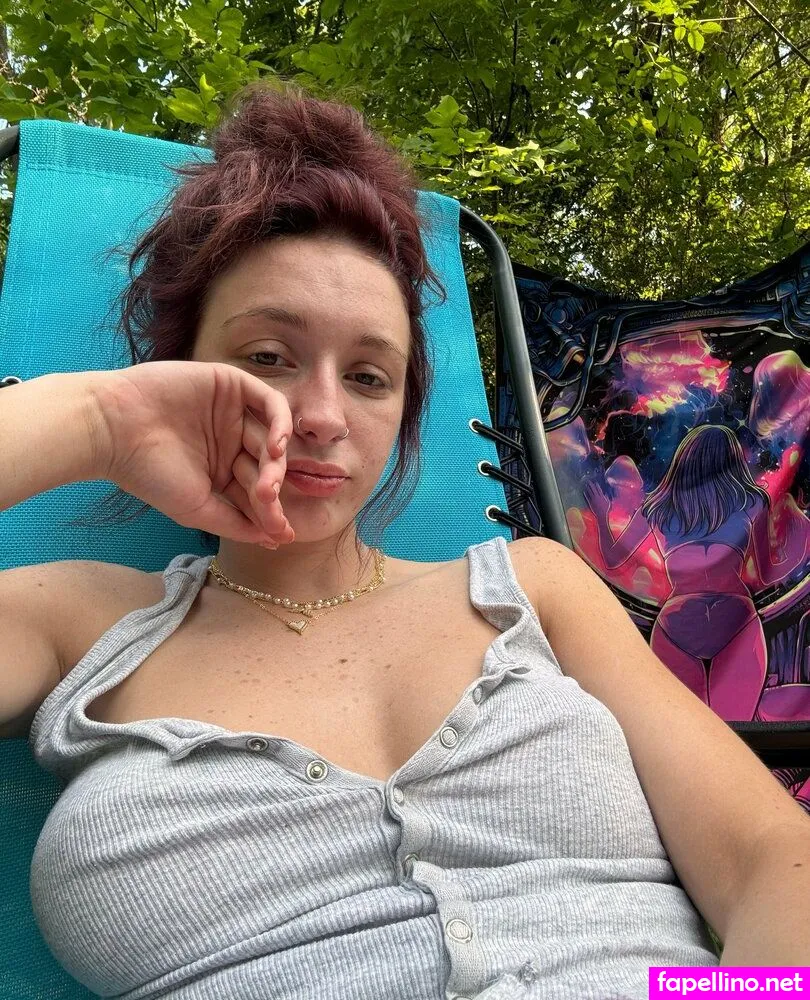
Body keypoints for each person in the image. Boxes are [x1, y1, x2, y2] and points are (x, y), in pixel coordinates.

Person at [1, 80, 809, 1000]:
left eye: (369, 376)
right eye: (267, 358)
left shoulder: (532, 588)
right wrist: (96, 422)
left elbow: (768, 859)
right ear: (180, 371)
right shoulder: (78, 620)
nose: (320, 415)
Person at [584, 424, 790, 721]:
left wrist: (603, 516)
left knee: (685, 731)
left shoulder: (657, 508)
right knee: (733, 733)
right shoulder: (752, 503)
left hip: (676, 626)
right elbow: (767, 575)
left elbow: (613, 559)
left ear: (684, 460)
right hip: (736, 621)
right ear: (732, 462)